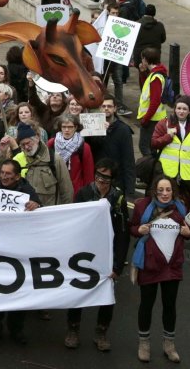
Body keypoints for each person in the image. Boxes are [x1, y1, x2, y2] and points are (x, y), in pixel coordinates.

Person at [64, 160, 129, 352]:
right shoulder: (83, 194)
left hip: (106, 255)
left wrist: (118, 266)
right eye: (98, 175)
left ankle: (101, 332)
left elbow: (123, 234)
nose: (101, 180)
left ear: (112, 179)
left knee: (106, 294)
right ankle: (73, 329)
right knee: (78, 291)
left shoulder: (117, 198)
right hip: (84, 253)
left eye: (106, 178)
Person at [0, 159, 40, 344]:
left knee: (18, 291)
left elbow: (42, 214)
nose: (4, 177)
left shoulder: (28, 192)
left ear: (17, 176)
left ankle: (16, 329)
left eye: (8, 174)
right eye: (2, 173)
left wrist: (36, 206)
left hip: (19, 251)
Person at [130, 175, 189, 363]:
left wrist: (188, 234)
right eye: (161, 190)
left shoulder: (180, 208)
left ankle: (169, 344)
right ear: (154, 190)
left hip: (172, 266)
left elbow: (186, 231)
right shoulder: (142, 207)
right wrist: (138, 230)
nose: (165, 194)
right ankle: (144, 343)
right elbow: (132, 228)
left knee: (170, 306)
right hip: (149, 265)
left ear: (173, 191)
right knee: (146, 305)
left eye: (168, 190)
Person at [0, 123, 72, 206]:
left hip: (49, 214)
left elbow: (67, 191)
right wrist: (3, 153)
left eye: (28, 143)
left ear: (37, 138)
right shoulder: (18, 159)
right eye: (22, 145)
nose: (26, 147)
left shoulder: (54, 160)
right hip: (26, 215)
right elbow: (1, 180)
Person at [151, 95, 190, 196]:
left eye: (185, 109)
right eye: (179, 108)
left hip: (186, 174)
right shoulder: (164, 123)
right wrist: (168, 137)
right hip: (166, 172)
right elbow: (153, 143)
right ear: (175, 109)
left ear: (189, 111)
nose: (181, 111)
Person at [50, 114, 94, 198]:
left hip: (76, 190)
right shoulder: (52, 143)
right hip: (56, 190)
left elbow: (88, 173)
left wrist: (87, 193)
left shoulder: (84, 147)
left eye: (70, 127)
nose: (67, 130)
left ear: (76, 127)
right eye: (64, 127)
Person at [137, 47, 168, 157]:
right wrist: (142, 73)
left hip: (152, 119)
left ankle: (152, 170)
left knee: (145, 147)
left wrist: (145, 119)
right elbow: (145, 88)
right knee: (151, 148)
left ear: (145, 59)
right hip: (153, 118)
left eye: (142, 59)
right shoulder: (154, 74)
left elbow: (154, 101)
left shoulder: (156, 77)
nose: (141, 61)